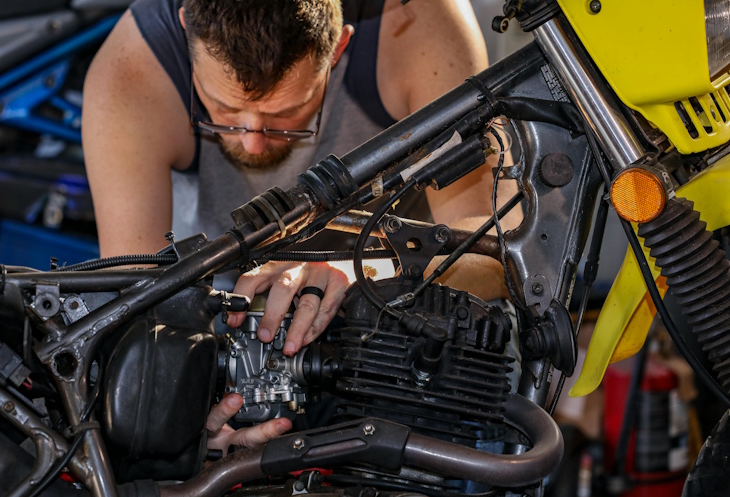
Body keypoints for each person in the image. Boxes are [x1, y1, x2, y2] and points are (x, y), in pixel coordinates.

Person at [82, 0, 520, 449]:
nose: (252, 141)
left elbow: (501, 249)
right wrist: (193, 431)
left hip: (397, 319)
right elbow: (134, 313)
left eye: (283, 119)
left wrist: (362, 276)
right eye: (224, 113)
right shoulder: (133, 70)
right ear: (185, 34)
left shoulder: (415, 25)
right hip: (228, 332)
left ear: (339, 48)